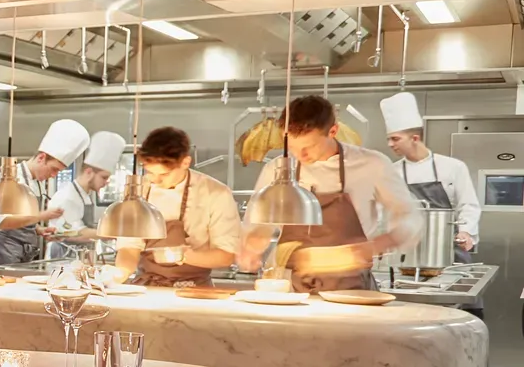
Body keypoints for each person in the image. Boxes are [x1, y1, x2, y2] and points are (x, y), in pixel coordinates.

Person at [240, 95, 421, 292]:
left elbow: (409, 217)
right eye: (293, 147)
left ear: (333, 131)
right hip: (290, 285)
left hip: (350, 285)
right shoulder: (277, 170)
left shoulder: (372, 165)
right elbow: (257, 225)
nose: (301, 156)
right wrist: (251, 247)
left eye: (309, 147)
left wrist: (378, 244)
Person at [113, 127, 243, 287]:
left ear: (185, 162)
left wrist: (183, 256)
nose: (155, 181)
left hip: (195, 290)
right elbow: (129, 247)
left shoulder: (215, 193)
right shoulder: (138, 191)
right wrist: (119, 273)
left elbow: (226, 255)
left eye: (164, 174)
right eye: (149, 172)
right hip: (147, 288)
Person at [382, 91, 480, 261]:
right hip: (407, 253)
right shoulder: (391, 172)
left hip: (447, 250)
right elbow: (383, 213)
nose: (390, 144)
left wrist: (465, 232)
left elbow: (468, 205)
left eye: (395, 139)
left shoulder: (453, 167)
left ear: (415, 138)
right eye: (389, 139)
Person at [0, 118, 90, 266]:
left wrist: (39, 230)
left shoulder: (37, 183)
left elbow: (20, 221)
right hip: (2, 252)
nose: (54, 175)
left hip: (23, 253)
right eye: (54, 169)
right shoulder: (7, 181)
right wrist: (40, 216)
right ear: (41, 158)